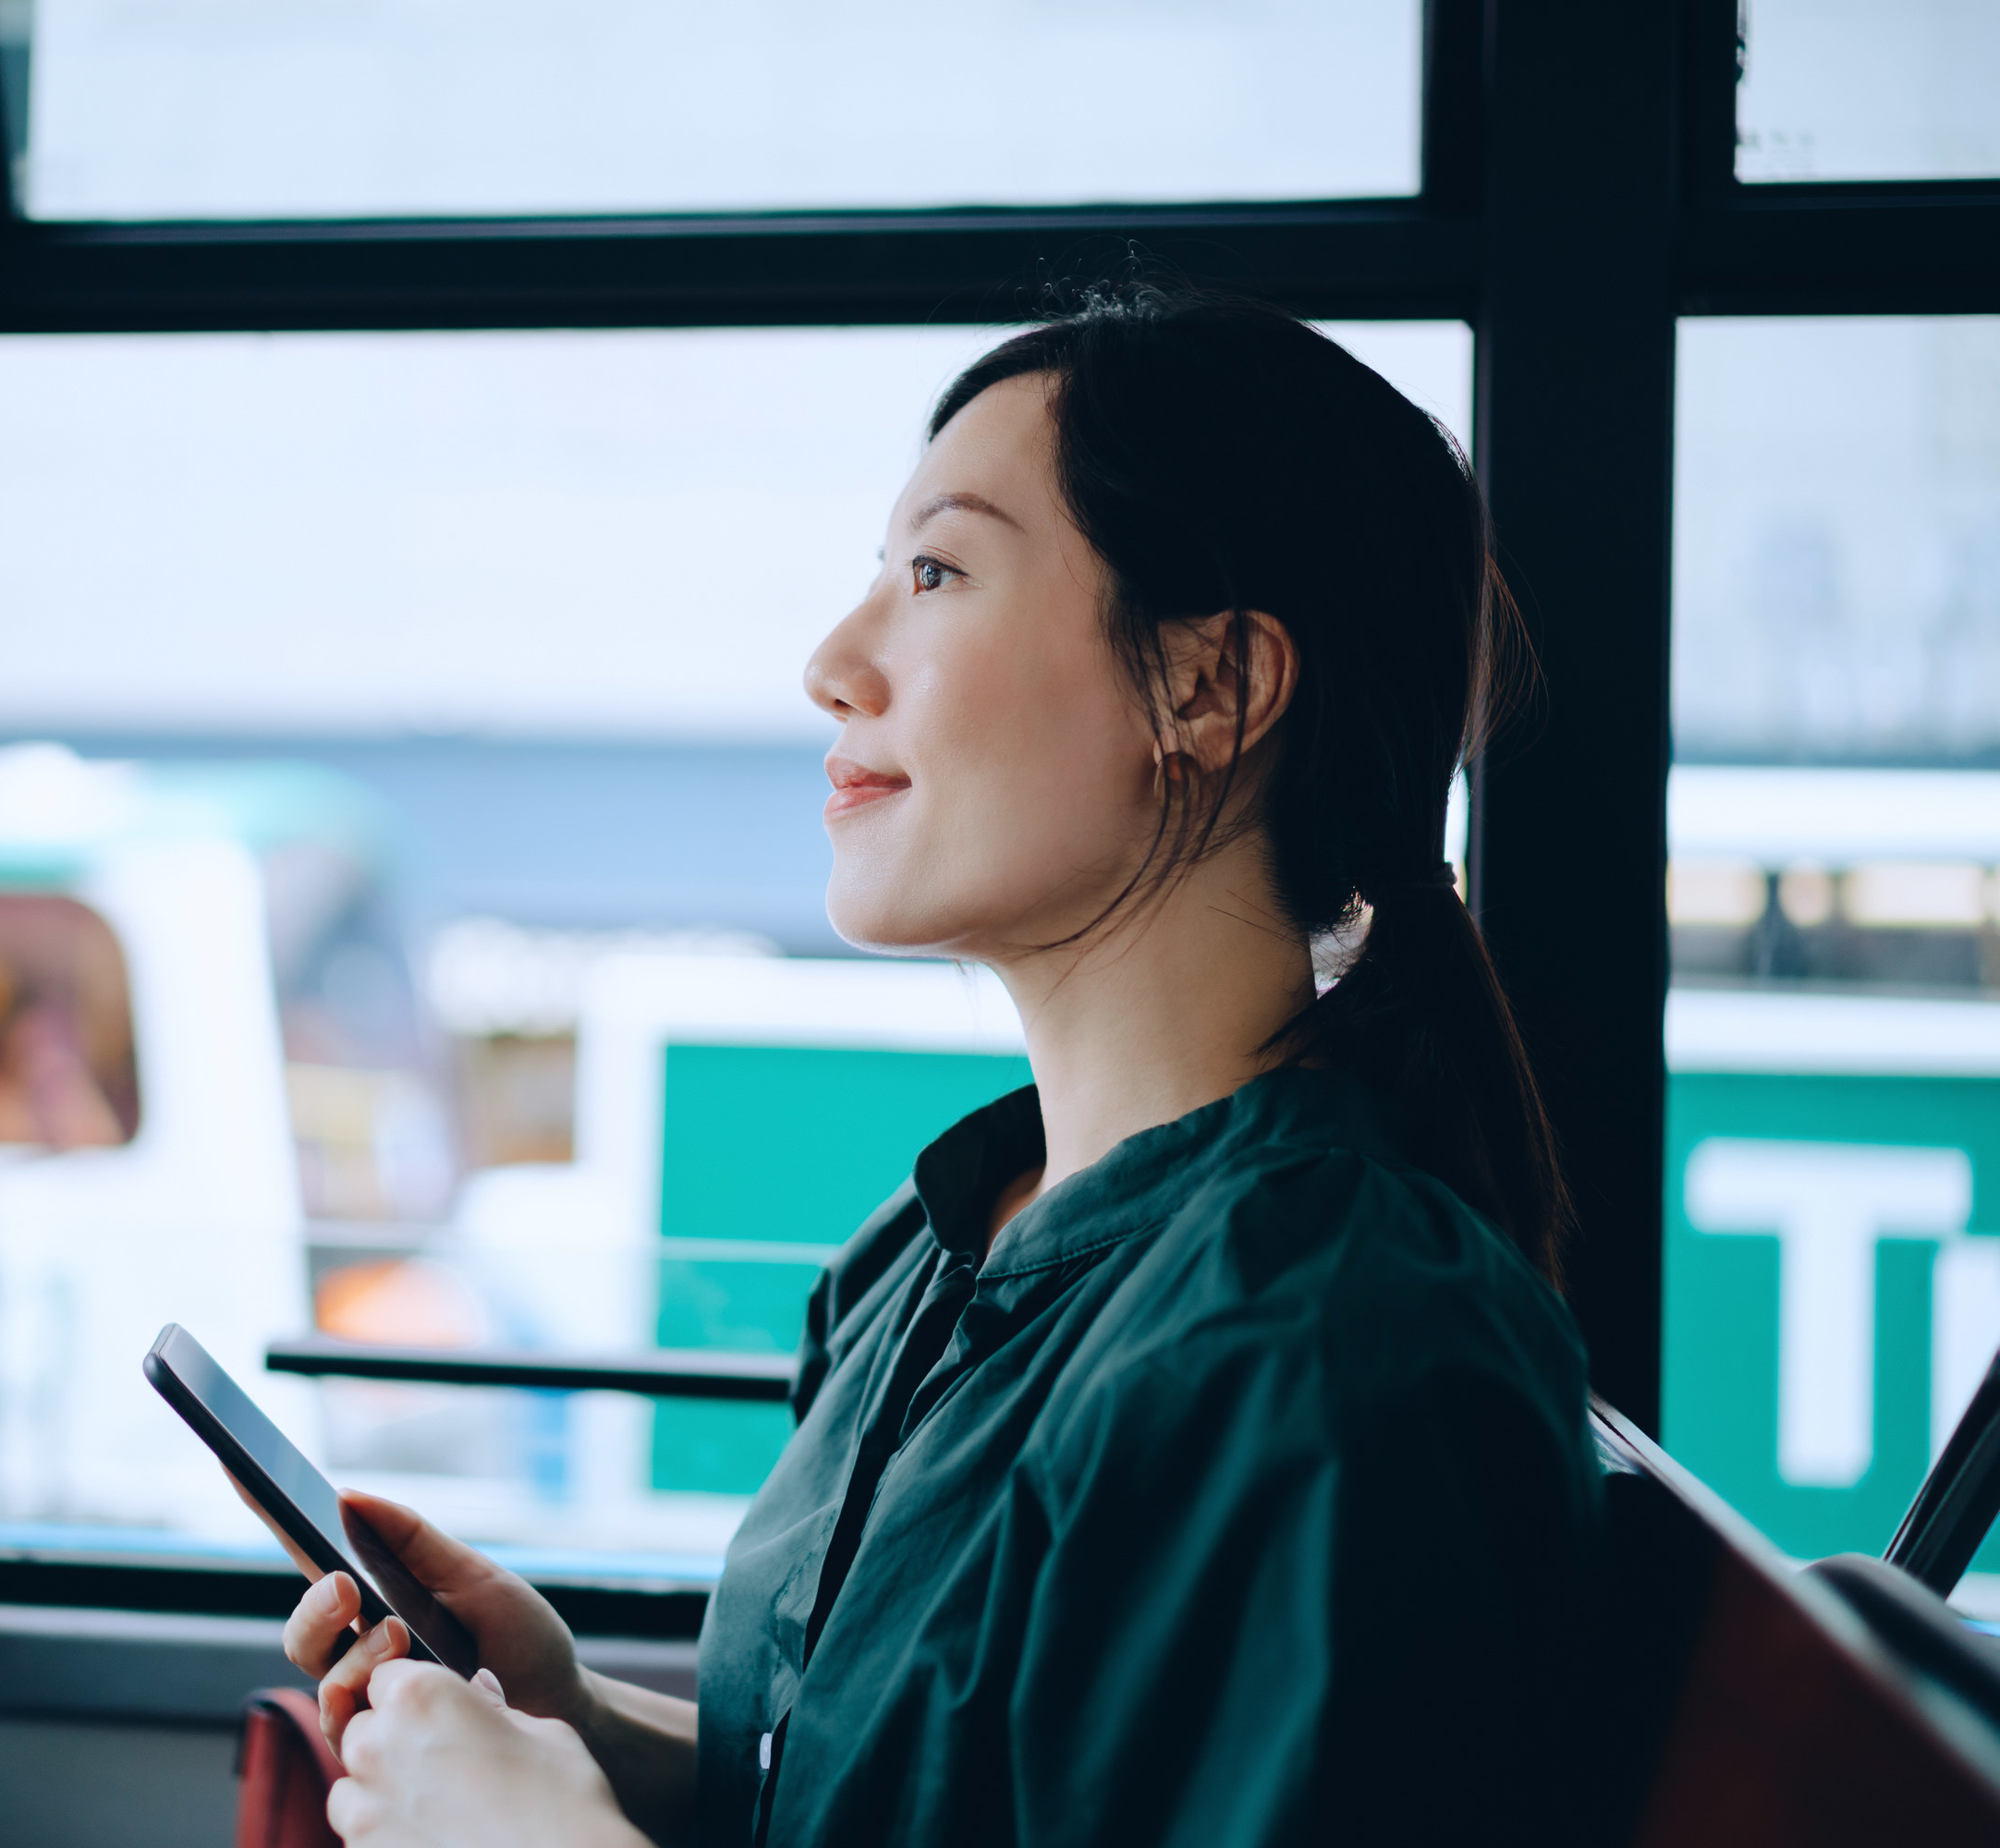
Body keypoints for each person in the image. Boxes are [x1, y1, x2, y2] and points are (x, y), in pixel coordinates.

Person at [275, 285, 1604, 1847]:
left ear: (1211, 685)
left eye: (937, 570)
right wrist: (578, 1725)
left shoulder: (1330, 1344)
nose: (834, 663)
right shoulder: (936, 1250)